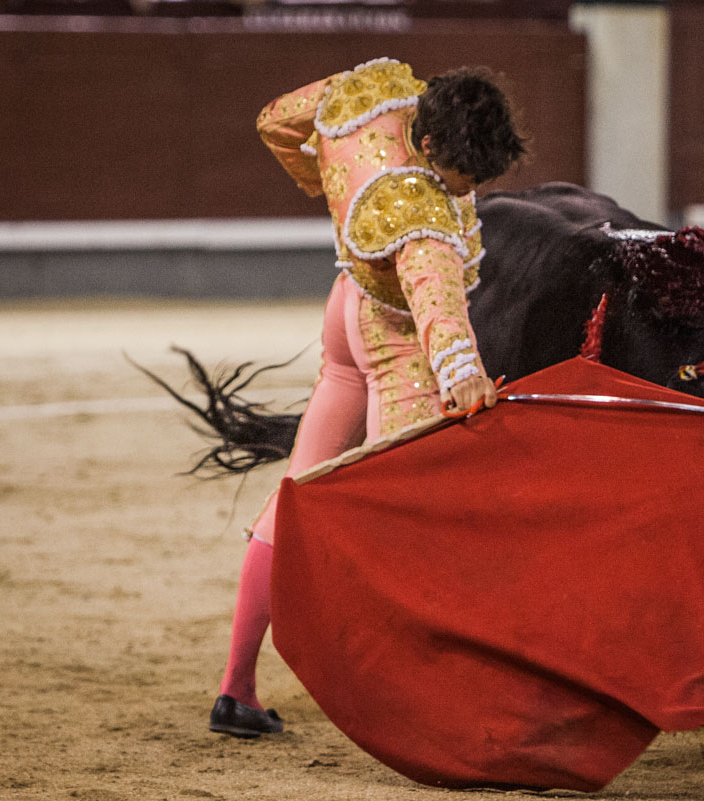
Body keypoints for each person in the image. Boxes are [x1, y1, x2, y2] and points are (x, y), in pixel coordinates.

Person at [208, 58, 525, 738]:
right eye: (461, 176)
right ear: (434, 147)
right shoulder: (419, 207)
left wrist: (332, 187)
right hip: (394, 342)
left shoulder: (377, 94)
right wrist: (463, 374)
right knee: (407, 518)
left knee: (296, 492)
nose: (464, 189)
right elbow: (437, 306)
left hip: (343, 307)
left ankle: (235, 685)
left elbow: (279, 121)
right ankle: (412, 703)